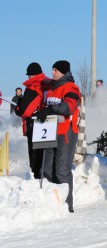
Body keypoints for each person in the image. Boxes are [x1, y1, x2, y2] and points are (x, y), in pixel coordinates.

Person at [33, 60, 82, 213]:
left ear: (63, 72)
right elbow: (39, 84)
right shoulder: (52, 88)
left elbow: (69, 106)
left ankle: (67, 205)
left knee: (61, 171)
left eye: (55, 70)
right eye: (52, 70)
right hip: (49, 132)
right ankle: (50, 205)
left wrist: (50, 110)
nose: (52, 73)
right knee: (46, 170)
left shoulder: (71, 88)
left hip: (66, 133)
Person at [13, 62, 46, 179]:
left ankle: (35, 176)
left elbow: (25, 110)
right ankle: (44, 174)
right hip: (46, 124)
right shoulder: (46, 84)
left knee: (34, 153)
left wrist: (17, 108)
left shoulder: (32, 87)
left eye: (29, 75)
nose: (28, 77)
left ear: (33, 75)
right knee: (44, 152)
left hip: (33, 124)